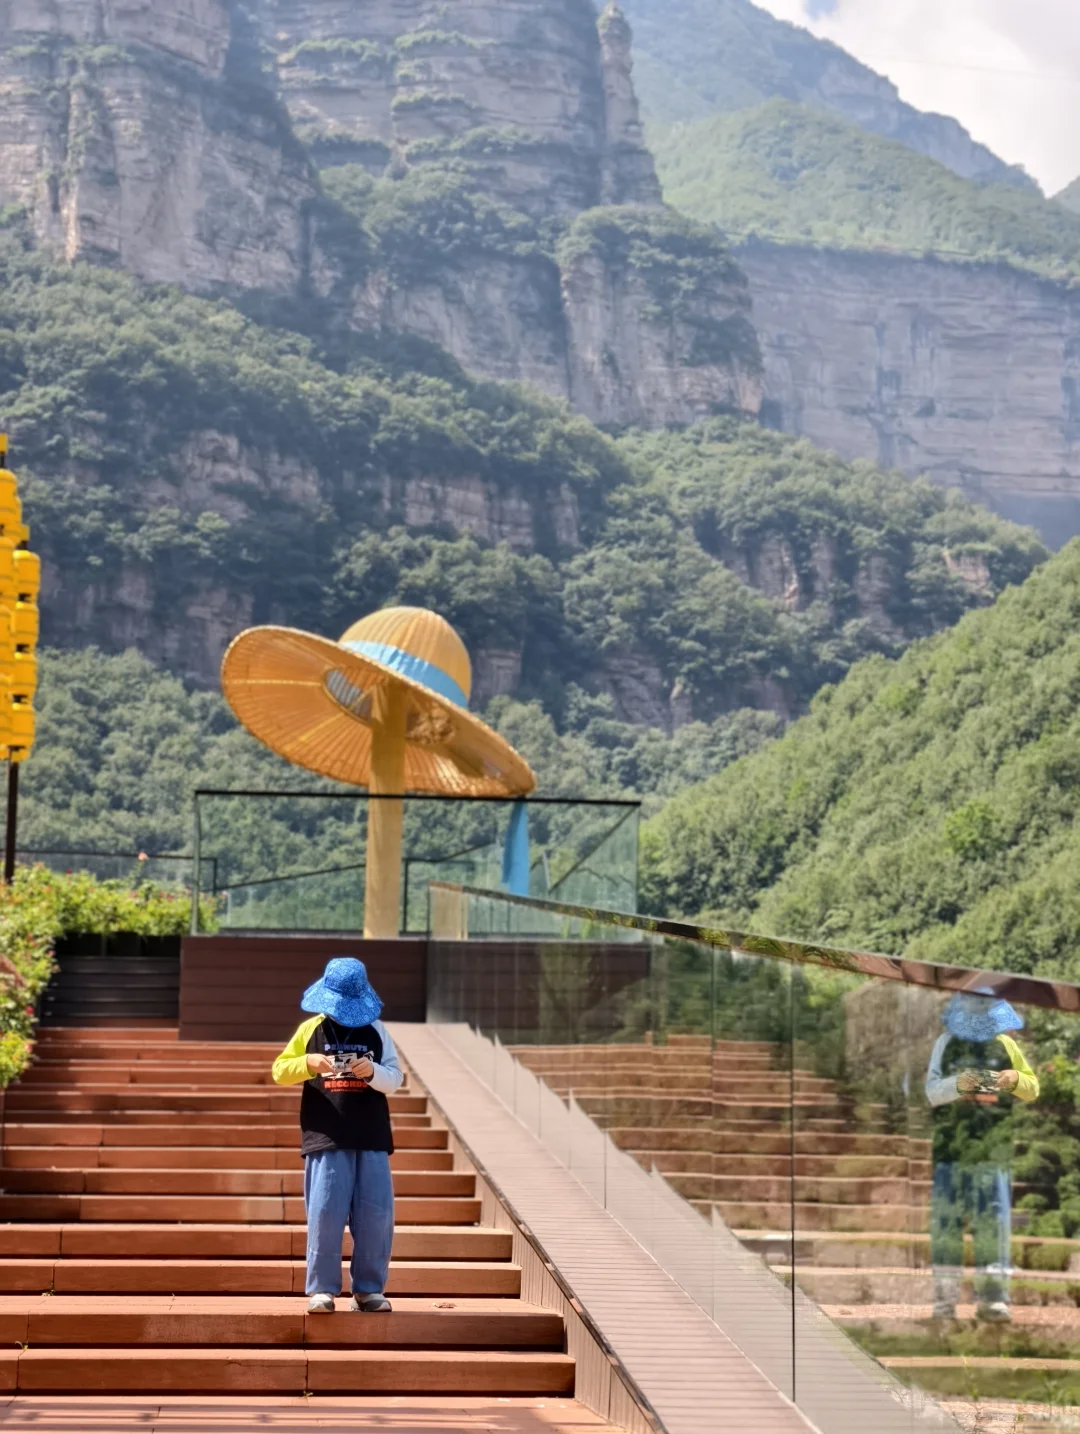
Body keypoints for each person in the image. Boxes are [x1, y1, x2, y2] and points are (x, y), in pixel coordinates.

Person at [272, 956, 404, 1314]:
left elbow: (396, 1078)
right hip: (325, 1135)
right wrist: (309, 1063)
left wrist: (372, 1070)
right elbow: (279, 1071)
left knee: (375, 1214)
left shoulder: (377, 1030)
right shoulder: (310, 1029)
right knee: (325, 1212)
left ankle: (369, 1289)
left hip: (372, 1136)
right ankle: (323, 1289)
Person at [925, 988, 1039, 1323]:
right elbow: (932, 1092)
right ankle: (945, 1303)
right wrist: (958, 1084)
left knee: (993, 1222)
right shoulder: (945, 1044)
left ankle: (992, 1300)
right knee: (946, 1225)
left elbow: (1032, 1088)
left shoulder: (1006, 1046)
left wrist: (1014, 1078)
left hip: (993, 1150)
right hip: (951, 1150)